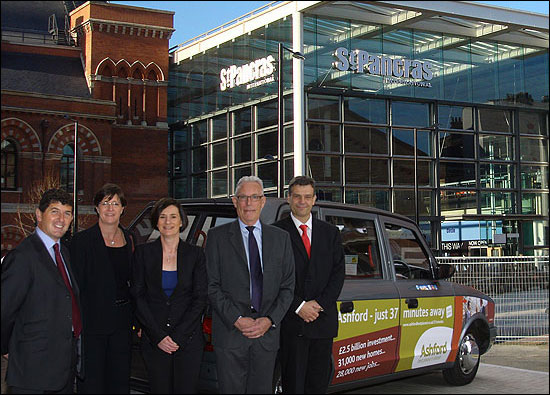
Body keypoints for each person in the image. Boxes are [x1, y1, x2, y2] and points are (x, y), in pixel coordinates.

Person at [205, 176, 295, 394]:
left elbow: (288, 286)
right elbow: (211, 285)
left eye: (254, 197)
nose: (248, 203)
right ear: (235, 202)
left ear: (262, 201)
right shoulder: (217, 237)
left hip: (266, 337)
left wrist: (270, 320)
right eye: (243, 197)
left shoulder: (281, 238)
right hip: (230, 335)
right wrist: (236, 319)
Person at [1, 188, 81, 394]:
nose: (61, 219)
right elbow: (5, 310)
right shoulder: (22, 257)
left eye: (67, 213)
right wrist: (7, 348)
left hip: (63, 368)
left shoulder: (63, 252)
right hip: (32, 370)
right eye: (54, 211)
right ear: (39, 215)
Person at [273, 176, 345, 394]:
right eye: (297, 196)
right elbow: (273, 278)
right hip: (291, 323)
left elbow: (338, 274)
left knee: (318, 385)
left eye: (307, 197)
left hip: (322, 322)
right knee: (293, 386)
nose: (302, 201)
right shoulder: (276, 233)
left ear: (314, 200)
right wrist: (298, 306)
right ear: (289, 199)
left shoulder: (330, 233)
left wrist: (318, 304)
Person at [131, 198, 207, 393]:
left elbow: (200, 299)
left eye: (173, 216)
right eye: (163, 217)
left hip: (188, 341)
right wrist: (158, 336)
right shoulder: (142, 253)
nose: (168, 222)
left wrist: (177, 337)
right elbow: (138, 296)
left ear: (181, 221)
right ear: (156, 222)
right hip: (154, 342)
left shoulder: (195, 255)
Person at [69, 183, 134, 393]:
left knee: (119, 382)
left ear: (122, 208)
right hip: (92, 326)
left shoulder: (130, 238)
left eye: (115, 203)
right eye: (105, 203)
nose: (110, 208)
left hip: (122, 325)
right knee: (93, 383)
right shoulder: (81, 242)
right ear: (96, 207)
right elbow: (75, 287)